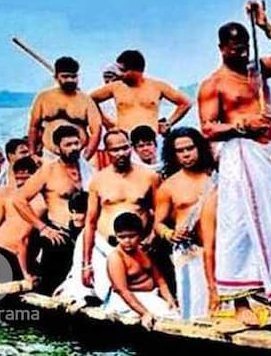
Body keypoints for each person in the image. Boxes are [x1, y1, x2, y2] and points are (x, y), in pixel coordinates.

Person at [196, 0, 271, 317]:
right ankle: (239, 299)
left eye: (244, 47)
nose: (242, 53)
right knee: (239, 224)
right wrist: (241, 126)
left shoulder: (259, 69)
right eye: (234, 49)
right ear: (221, 48)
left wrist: (265, 26)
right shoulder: (213, 84)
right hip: (241, 158)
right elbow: (207, 128)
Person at [73, 129, 160, 305]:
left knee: (147, 289)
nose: (121, 153)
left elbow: (160, 213)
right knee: (95, 293)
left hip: (140, 245)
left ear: (131, 148)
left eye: (124, 148)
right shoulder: (98, 180)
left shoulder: (149, 176)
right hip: (106, 245)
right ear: (107, 152)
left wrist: (151, 238)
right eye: (115, 150)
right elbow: (90, 223)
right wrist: (86, 263)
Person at [13, 125, 94, 294]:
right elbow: (19, 200)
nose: (74, 148)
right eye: (68, 145)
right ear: (58, 148)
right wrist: (42, 228)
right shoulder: (48, 171)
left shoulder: (86, 168)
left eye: (76, 143)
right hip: (59, 233)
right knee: (53, 282)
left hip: (85, 231)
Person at [153, 127, 217, 321]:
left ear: (199, 148)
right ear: (174, 155)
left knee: (224, 303)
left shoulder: (216, 177)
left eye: (190, 148)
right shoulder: (169, 186)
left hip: (218, 250)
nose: (186, 154)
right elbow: (158, 224)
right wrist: (169, 234)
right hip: (188, 252)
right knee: (194, 307)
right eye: (180, 151)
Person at [90, 49, 193, 135]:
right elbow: (90, 99)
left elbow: (185, 103)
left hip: (150, 140)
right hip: (125, 138)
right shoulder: (115, 87)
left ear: (136, 70)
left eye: (123, 70)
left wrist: (169, 123)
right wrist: (106, 122)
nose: (119, 74)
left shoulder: (157, 86)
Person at [105, 212, 178, 329]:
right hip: (126, 301)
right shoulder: (116, 258)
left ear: (140, 235)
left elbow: (159, 279)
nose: (127, 241)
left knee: (174, 312)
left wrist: (169, 299)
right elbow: (122, 290)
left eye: (131, 236)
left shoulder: (142, 251)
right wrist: (144, 313)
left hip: (150, 296)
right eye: (122, 237)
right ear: (116, 236)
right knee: (167, 315)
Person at [27, 56, 103, 162]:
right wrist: (32, 154)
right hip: (50, 156)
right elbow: (33, 127)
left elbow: (96, 131)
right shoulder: (44, 97)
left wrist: (86, 156)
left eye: (73, 77)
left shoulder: (86, 100)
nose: (70, 80)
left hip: (79, 155)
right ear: (56, 77)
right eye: (65, 76)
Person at [0, 156, 44, 283]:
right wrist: (26, 274)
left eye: (25, 179)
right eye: (18, 178)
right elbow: (22, 240)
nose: (20, 183)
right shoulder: (38, 202)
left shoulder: (17, 197)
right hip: (7, 255)